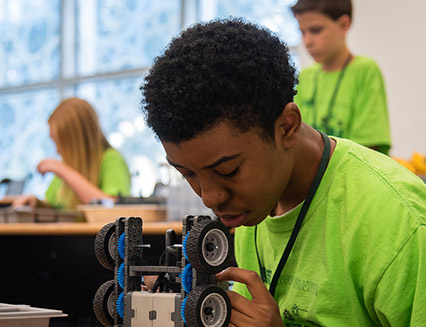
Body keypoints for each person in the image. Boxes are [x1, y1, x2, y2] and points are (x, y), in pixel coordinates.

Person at [140, 18, 426, 326]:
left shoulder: (399, 223)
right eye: (188, 174)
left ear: (286, 127)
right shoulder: (253, 208)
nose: (210, 197)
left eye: (228, 170)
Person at [292, 0, 392, 155]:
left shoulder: (365, 71)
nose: (308, 41)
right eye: (302, 32)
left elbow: (368, 149)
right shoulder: (305, 77)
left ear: (344, 24)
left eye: (316, 30)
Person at [13, 97, 131, 210]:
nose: (57, 151)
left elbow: (112, 208)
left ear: (76, 142)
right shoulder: (66, 164)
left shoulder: (112, 160)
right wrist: (36, 203)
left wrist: (63, 171)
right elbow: (55, 207)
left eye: (61, 144)